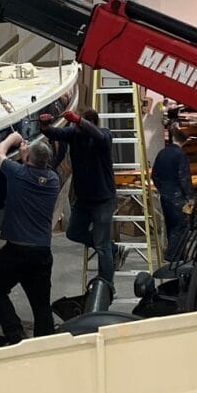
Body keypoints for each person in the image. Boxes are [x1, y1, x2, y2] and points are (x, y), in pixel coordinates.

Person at [40, 109, 128, 288]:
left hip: (104, 199)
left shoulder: (104, 136)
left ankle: (106, 287)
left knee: (101, 246)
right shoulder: (74, 134)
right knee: (74, 233)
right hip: (84, 200)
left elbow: (98, 135)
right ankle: (114, 249)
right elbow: (52, 132)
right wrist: (44, 124)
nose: (75, 128)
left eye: (78, 125)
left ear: (90, 123)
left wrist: (79, 121)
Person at [0, 132, 59, 344]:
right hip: (41, 253)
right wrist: (28, 155)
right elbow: (39, 168)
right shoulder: (54, 180)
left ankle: (15, 335)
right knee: (41, 304)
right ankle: (45, 346)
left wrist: (14, 138)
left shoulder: (18, 173)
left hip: (16, 252)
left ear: (27, 160)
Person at [152, 126, 195, 261]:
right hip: (178, 196)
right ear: (184, 142)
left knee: (170, 225)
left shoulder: (162, 153)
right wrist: (190, 197)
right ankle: (174, 255)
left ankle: (175, 253)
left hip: (165, 195)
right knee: (181, 225)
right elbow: (184, 178)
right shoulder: (180, 155)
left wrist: (162, 189)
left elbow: (155, 175)